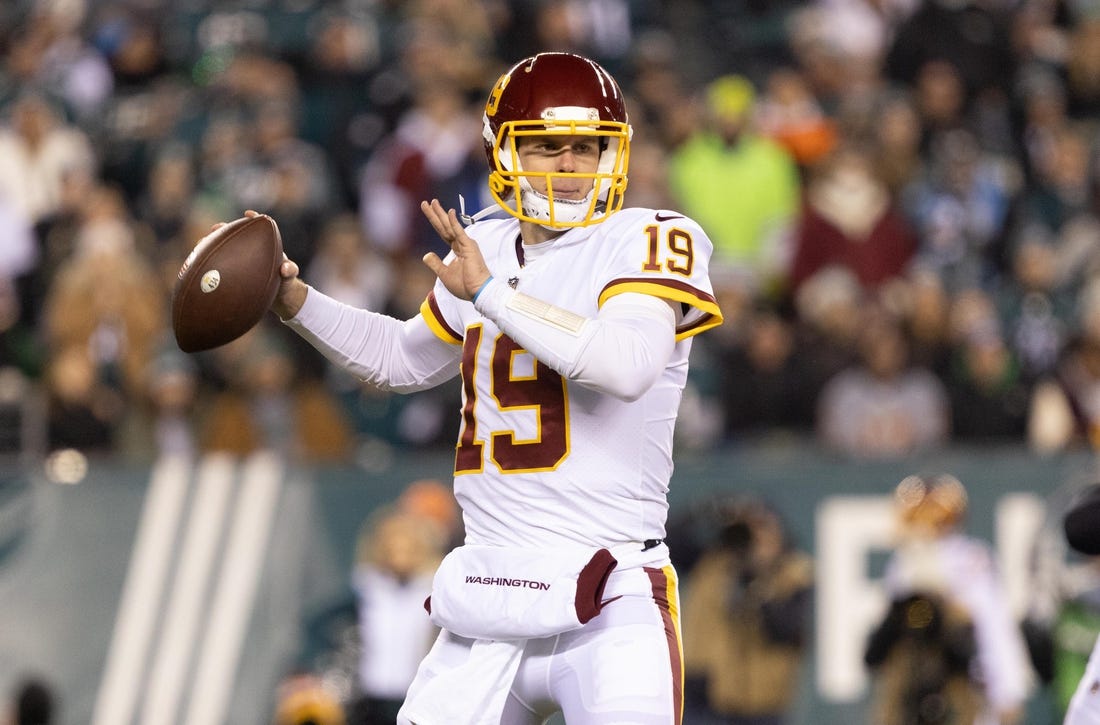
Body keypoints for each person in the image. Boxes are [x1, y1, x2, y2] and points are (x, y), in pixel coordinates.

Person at [256, 51, 722, 724]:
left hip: (609, 595)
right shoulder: (490, 247)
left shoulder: (647, 236)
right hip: (489, 596)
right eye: (546, 147)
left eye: (587, 148)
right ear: (502, 150)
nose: (569, 167)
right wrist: (296, 300)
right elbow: (400, 358)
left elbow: (627, 364)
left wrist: (491, 295)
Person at [863, 474, 1031, 725]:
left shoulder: (969, 559)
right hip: (912, 684)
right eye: (920, 513)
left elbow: (993, 627)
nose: (927, 522)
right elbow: (882, 648)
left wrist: (1006, 692)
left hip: (963, 683)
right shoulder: (903, 564)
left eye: (934, 513)